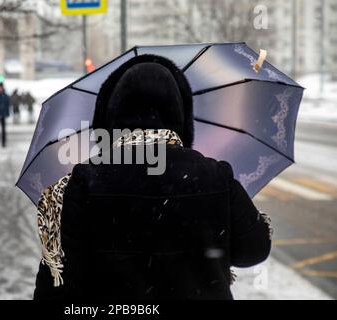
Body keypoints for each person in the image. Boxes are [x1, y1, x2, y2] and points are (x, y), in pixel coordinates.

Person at [33, 55, 272, 300]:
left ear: (111, 117)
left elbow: (56, 286)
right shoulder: (215, 175)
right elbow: (253, 250)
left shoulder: (84, 182)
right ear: (180, 116)